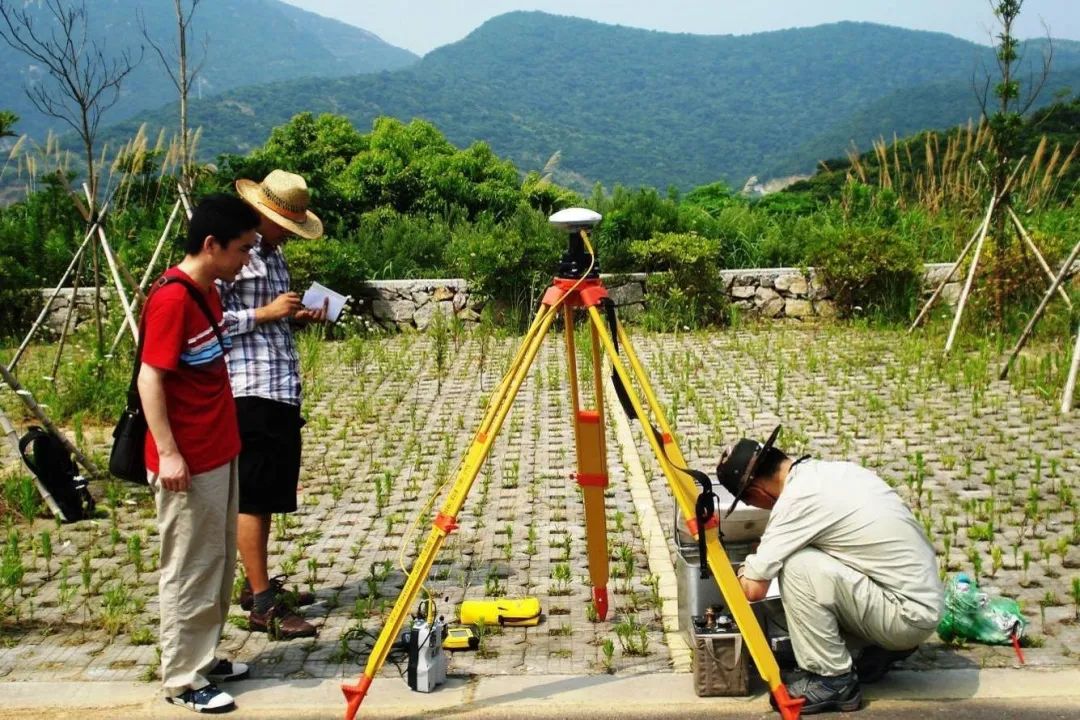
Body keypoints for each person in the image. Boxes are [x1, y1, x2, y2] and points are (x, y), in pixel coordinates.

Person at [715, 426, 943, 715]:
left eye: (749, 502)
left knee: (798, 567)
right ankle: (876, 649)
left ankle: (833, 679)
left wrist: (743, 566)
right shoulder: (836, 472)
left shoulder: (795, 501)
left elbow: (753, 588)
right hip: (922, 601)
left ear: (757, 492)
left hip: (905, 616)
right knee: (811, 555)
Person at [138, 194, 261, 713]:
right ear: (211, 245)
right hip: (185, 460)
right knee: (188, 567)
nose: (247, 260)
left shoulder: (209, 292)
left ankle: (204, 656)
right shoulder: (172, 300)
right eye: (241, 249)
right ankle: (183, 679)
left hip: (219, 449)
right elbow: (151, 378)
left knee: (216, 562)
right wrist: (168, 454)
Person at [219, 169, 327, 640]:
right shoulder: (233, 255)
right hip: (249, 388)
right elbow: (208, 320)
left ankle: (254, 583)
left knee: (271, 494)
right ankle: (263, 604)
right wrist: (263, 313)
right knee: (255, 497)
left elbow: (270, 319)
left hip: (280, 386)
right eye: (287, 224)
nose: (289, 234)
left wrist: (296, 315)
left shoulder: (273, 254)